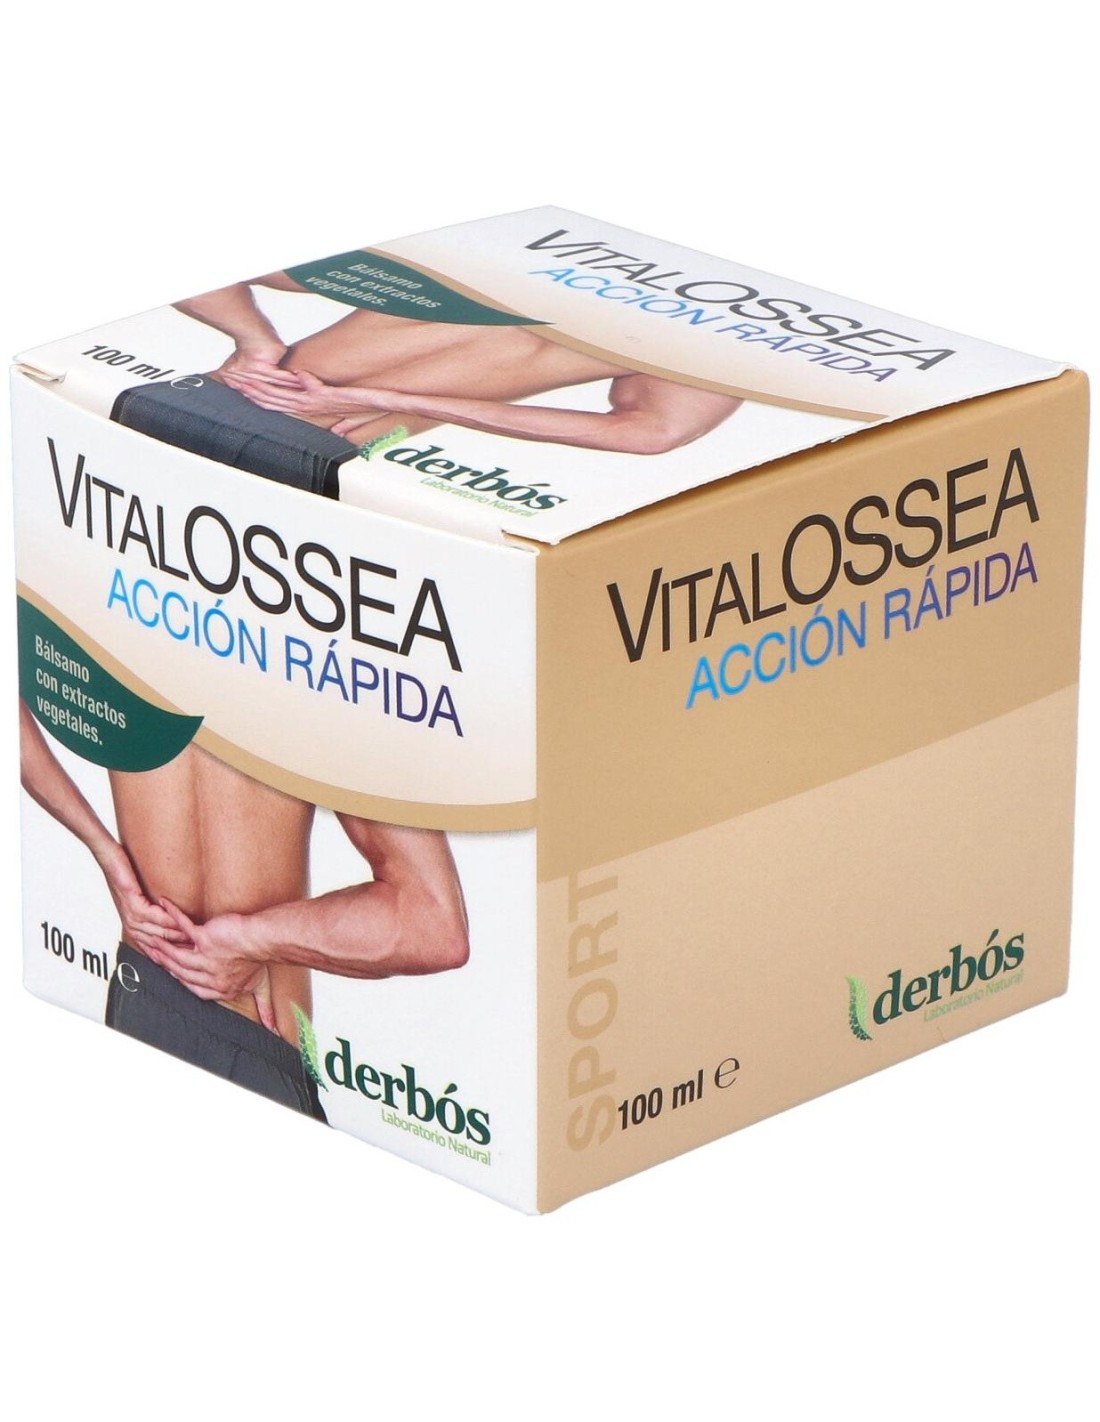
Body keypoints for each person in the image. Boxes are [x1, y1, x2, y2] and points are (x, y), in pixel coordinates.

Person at [19, 700, 470, 1121]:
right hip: (258, 1041)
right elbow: (432, 925)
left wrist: (104, 849)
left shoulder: (125, 640)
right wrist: (251, 940)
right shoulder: (313, 680)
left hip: (141, 998)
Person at [110, 271, 743, 498]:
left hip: (301, 441)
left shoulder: (723, 335)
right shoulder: (717, 334)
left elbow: (649, 435)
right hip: (288, 431)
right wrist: (255, 340)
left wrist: (384, 398)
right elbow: (650, 433)